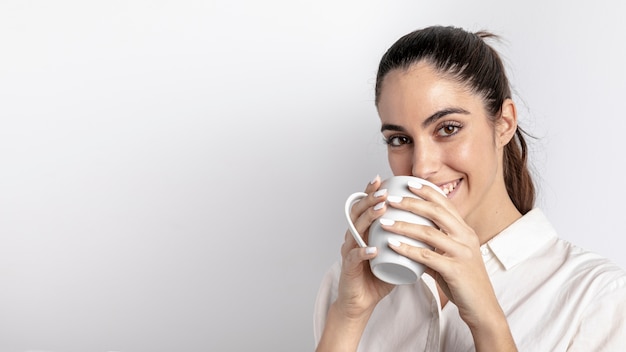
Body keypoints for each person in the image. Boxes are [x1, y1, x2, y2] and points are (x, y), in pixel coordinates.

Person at [313, 25, 626, 351]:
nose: (421, 167)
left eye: (448, 128)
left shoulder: (599, 299)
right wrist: (348, 318)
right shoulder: (348, 285)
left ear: (503, 124)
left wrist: (488, 321)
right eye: (400, 140)